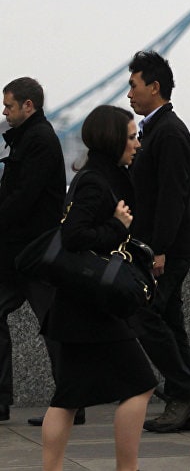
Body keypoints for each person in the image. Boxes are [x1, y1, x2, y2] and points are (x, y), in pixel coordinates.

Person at [41, 105, 155, 471]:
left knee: (68, 397)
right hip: (92, 307)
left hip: (77, 305)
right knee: (140, 382)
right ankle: (127, 468)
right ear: (112, 139)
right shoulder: (95, 181)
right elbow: (74, 237)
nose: (137, 143)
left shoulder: (97, 175)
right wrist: (118, 226)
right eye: (132, 136)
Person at [124, 50, 190, 433]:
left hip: (166, 247)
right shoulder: (156, 129)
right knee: (169, 319)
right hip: (159, 244)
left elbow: (173, 196)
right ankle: (187, 400)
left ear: (154, 88)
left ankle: (184, 391)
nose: (129, 94)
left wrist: (159, 250)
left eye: (134, 85)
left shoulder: (170, 132)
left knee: (145, 314)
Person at [0, 78, 75, 425]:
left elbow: (23, 198)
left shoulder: (39, 141)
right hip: (21, 252)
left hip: (34, 253)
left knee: (55, 326)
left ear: (28, 106)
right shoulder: (29, 139)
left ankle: (71, 403)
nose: (4, 111)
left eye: (9, 105)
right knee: (53, 325)